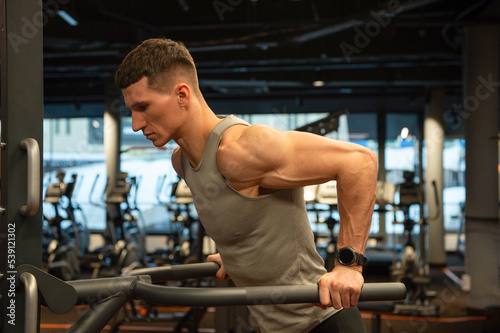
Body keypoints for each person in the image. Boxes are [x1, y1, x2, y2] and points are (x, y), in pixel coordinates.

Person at [115, 38, 377, 333]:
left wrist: (349, 265)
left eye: (143, 107)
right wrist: (237, 256)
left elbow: (359, 162)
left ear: (182, 94)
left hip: (322, 325)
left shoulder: (241, 150)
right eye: (131, 111)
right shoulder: (182, 162)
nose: (136, 124)